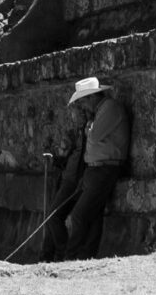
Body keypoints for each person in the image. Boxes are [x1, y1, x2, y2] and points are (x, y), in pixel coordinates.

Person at [53, 76, 131, 261]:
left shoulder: (110, 108)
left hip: (104, 169)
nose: (82, 106)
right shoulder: (101, 110)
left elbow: (94, 136)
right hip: (94, 169)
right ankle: (83, 255)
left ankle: (72, 256)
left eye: (83, 101)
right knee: (92, 215)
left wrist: (89, 127)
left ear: (91, 97)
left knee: (80, 215)